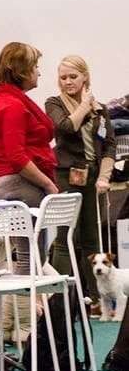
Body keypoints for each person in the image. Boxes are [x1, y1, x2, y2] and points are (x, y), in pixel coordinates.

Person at [46, 55, 116, 316]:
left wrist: (105, 176)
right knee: (65, 237)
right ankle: (60, 299)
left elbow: (109, 144)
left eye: (73, 77)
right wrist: (85, 106)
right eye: (63, 77)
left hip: (93, 176)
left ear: (85, 76)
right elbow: (66, 127)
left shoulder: (101, 109)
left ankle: (95, 297)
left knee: (91, 238)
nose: (67, 82)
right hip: (66, 175)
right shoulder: (54, 103)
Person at [0, 42, 57, 279]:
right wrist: (47, 184)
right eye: (35, 66)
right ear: (22, 70)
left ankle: (22, 313)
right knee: (30, 258)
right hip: (19, 184)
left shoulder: (1, 101)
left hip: (11, 184)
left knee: (30, 257)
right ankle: (24, 314)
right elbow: (17, 157)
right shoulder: (12, 105)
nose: (39, 72)